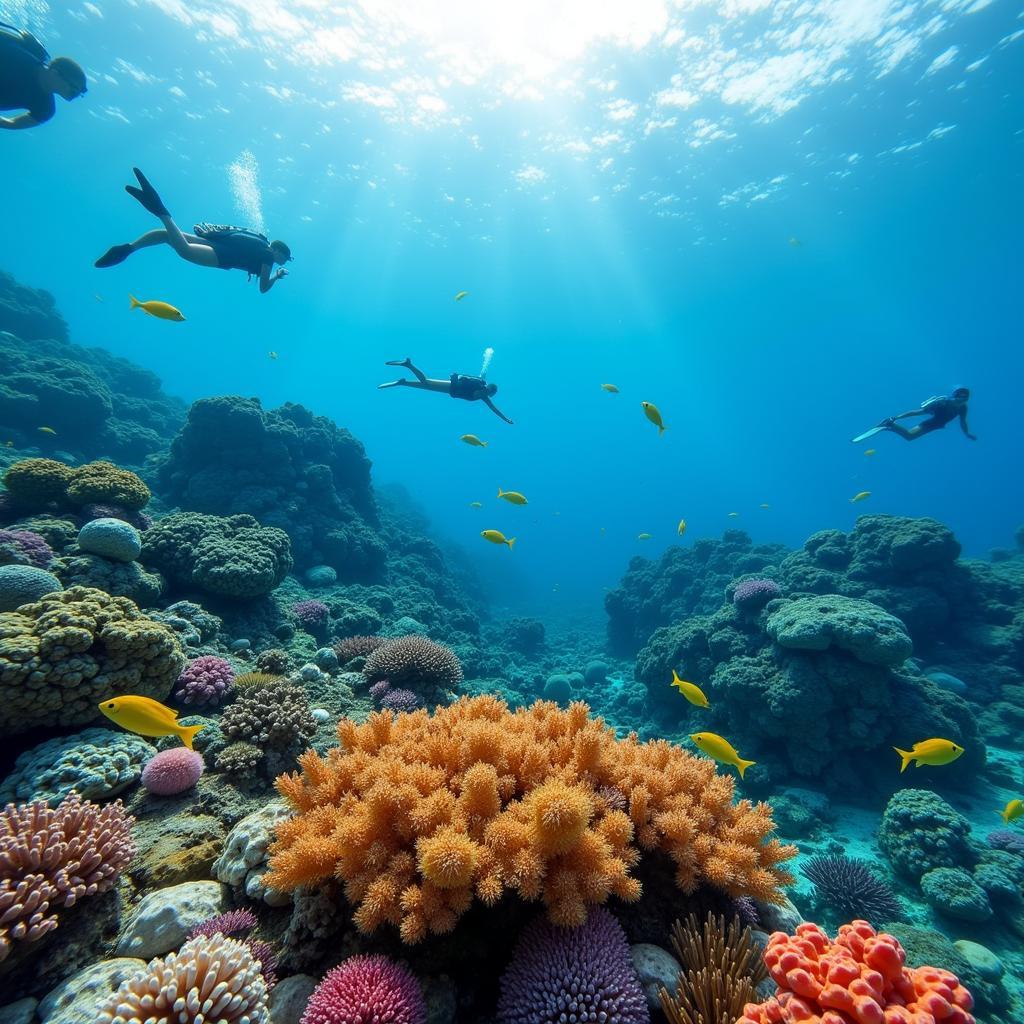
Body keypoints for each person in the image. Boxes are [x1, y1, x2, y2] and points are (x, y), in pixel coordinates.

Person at [95, 168, 292, 294]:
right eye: (285, 257)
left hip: (219, 244)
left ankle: (129, 248)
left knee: (167, 236)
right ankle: (160, 210)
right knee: (185, 250)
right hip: (223, 256)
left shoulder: (259, 242)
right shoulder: (267, 257)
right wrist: (277, 275)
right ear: (278, 251)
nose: (282, 261)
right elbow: (263, 288)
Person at [0, 23, 87, 130]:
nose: (76, 95)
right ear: (55, 73)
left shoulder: (45, 109)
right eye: (74, 89)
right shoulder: (17, 56)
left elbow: (10, 124)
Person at [378, 358, 513, 424]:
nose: (487, 394)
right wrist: (506, 419)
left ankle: (403, 382)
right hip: (451, 386)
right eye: (488, 392)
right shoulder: (481, 389)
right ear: (488, 389)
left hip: (451, 390)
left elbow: (495, 410)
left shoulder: (484, 397)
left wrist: (506, 419)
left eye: (489, 394)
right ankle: (408, 365)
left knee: (426, 386)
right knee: (426, 382)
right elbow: (493, 407)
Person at [881, 387, 976, 442]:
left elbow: (963, 422)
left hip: (937, 425)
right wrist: (896, 417)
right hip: (932, 424)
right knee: (909, 436)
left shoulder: (963, 408)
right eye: (959, 399)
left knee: (909, 437)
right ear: (954, 398)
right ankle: (890, 424)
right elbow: (917, 412)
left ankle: (889, 426)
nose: (961, 402)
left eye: (965, 400)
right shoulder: (942, 404)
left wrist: (966, 433)